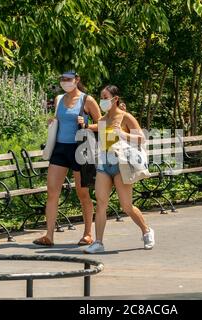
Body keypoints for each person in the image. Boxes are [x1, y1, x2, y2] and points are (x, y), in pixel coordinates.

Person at [83, 85, 155, 254]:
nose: (102, 100)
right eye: (101, 97)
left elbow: (141, 139)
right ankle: (98, 242)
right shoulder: (102, 120)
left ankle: (146, 230)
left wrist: (122, 135)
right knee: (101, 204)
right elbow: (101, 137)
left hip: (121, 164)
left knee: (126, 206)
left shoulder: (126, 117)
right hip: (104, 164)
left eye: (105, 97)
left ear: (115, 99)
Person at [33, 71, 101, 247]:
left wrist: (86, 124)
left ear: (77, 80)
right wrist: (52, 121)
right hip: (60, 148)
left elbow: (102, 124)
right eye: (62, 80)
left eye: (68, 80)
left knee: (82, 192)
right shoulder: (59, 99)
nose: (65, 82)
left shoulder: (87, 100)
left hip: (79, 148)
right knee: (52, 191)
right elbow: (59, 119)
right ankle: (49, 236)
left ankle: (88, 233)